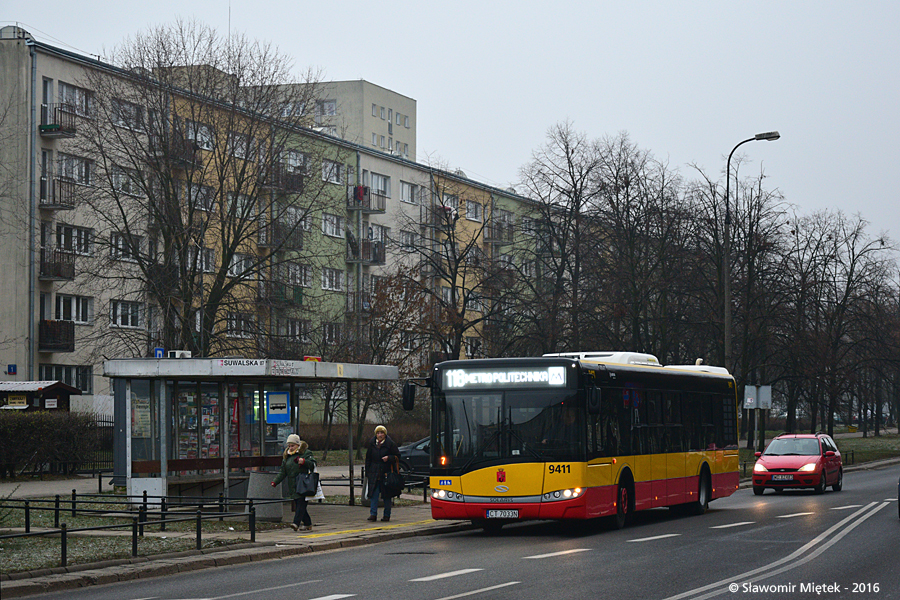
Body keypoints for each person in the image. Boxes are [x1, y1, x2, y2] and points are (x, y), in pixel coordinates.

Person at [271, 434, 316, 531]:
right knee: (300, 505)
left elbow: (313, 464)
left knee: (300, 504)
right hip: (293, 485)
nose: (290, 448)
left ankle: (296, 523)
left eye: (292, 445)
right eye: (289, 446)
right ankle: (308, 523)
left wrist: (304, 461)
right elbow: (283, 472)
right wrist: (275, 482)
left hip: (303, 484)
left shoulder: (305, 453)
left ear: (298, 445)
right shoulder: (287, 456)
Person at [365, 425, 400, 522]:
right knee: (374, 494)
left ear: (385, 434)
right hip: (374, 472)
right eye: (378, 433)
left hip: (386, 473)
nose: (380, 435)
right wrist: (368, 472)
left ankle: (386, 515)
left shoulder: (390, 444)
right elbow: (368, 458)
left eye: (382, 433)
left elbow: (397, 456)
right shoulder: (372, 444)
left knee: (386, 495)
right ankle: (373, 514)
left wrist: (389, 458)